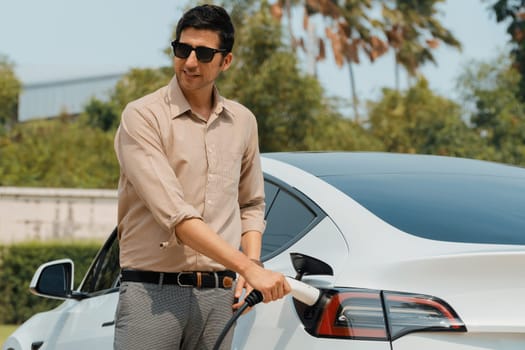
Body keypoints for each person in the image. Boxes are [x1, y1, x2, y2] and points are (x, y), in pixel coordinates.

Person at [112, 4, 290, 350]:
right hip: (153, 293)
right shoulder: (142, 117)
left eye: (204, 53)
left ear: (226, 61)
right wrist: (249, 268)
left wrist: (250, 264)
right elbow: (175, 214)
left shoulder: (243, 122)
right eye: (182, 49)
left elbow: (251, 204)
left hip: (218, 298)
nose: (190, 62)